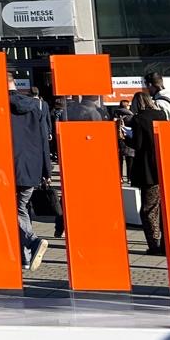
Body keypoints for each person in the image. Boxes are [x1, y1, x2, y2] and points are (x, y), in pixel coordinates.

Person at [8, 74, 51, 272]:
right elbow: (43, 139)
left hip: (8, 166)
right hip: (31, 166)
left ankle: (32, 242)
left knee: (14, 210)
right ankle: (25, 257)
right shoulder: (35, 106)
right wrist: (46, 170)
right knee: (21, 208)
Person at [52, 94, 105, 240]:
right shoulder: (95, 113)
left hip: (72, 158)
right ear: (95, 98)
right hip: (89, 160)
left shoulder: (71, 111)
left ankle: (60, 226)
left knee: (67, 195)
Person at [129, 86, 168, 255]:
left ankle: (154, 244)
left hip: (147, 171)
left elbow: (137, 145)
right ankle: (165, 243)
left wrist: (124, 138)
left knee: (148, 209)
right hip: (162, 167)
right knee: (160, 206)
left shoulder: (138, 119)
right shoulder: (161, 115)